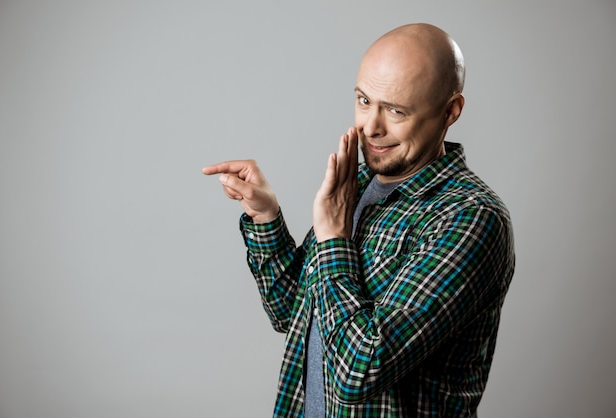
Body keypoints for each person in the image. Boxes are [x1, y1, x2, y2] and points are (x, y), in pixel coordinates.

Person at [203, 23, 514, 418]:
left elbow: (359, 370)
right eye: (364, 101)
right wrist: (266, 218)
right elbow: (293, 312)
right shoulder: (359, 182)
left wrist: (333, 239)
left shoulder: (470, 219)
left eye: (396, 110)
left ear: (450, 111)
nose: (370, 127)